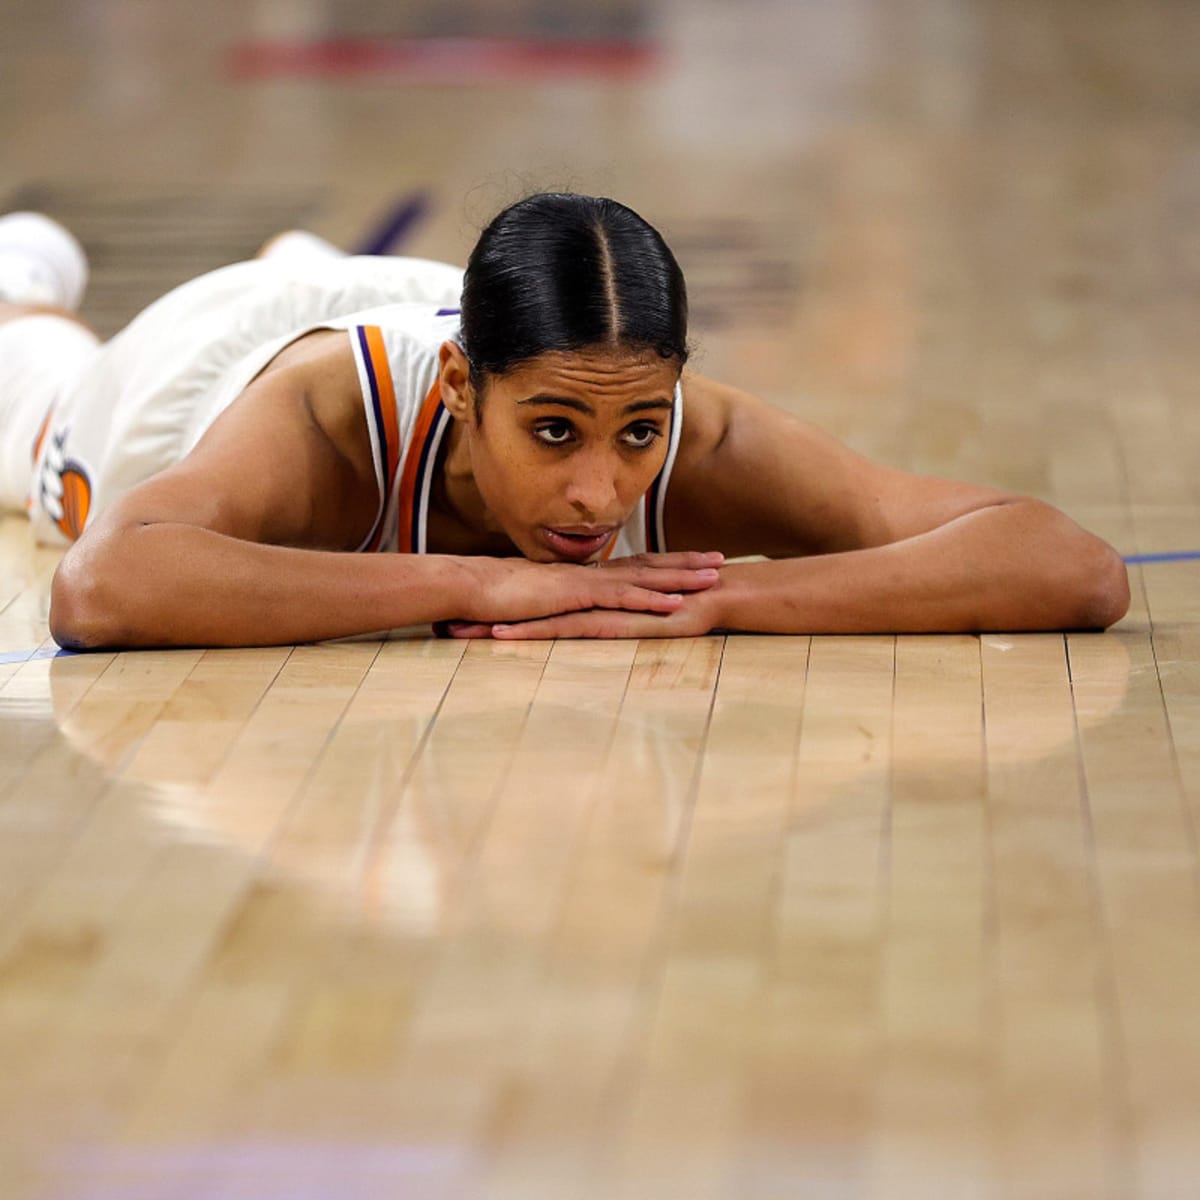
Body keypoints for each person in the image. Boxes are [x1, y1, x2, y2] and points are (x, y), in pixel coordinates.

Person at [0, 193, 1129, 650]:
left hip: (440, 297)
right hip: (193, 378)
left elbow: (1072, 568)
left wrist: (727, 596)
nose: (601, 492)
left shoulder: (647, 405)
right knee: (39, 378)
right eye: (554, 437)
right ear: (458, 391)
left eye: (640, 432)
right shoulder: (322, 419)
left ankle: (308, 253)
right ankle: (27, 270)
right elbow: (100, 589)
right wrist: (481, 582)